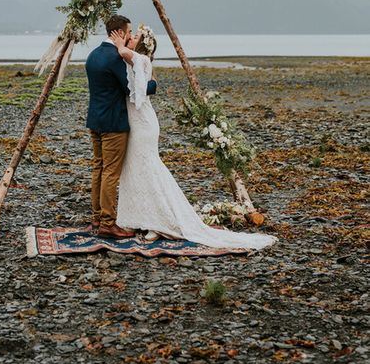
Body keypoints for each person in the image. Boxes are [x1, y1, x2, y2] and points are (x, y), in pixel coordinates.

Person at [111, 25, 277, 251]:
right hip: (135, 122)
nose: (130, 37)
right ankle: (141, 216)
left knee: (148, 167)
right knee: (134, 168)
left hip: (144, 126)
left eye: (135, 36)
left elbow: (122, 53)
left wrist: (119, 42)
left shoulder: (141, 60)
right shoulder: (136, 61)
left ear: (141, 44)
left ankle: (160, 222)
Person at [85, 15, 157, 239]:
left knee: (98, 168)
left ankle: (96, 217)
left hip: (95, 120)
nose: (130, 34)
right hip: (114, 123)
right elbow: (133, 90)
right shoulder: (116, 58)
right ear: (120, 33)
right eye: (129, 31)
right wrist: (152, 82)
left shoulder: (93, 55)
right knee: (110, 173)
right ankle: (107, 222)